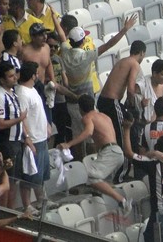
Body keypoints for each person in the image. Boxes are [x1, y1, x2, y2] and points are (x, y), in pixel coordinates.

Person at [61, 16, 136, 158]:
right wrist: (125, 29)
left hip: (72, 102)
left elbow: (61, 36)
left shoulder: (64, 51)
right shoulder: (86, 56)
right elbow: (108, 44)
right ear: (83, 41)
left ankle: (80, 164)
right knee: (90, 137)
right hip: (87, 103)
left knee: (77, 136)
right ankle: (92, 161)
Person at [56, 95, 134, 215]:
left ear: (80, 109)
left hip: (110, 153)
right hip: (116, 152)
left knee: (91, 176)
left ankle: (122, 201)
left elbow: (89, 132)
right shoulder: (104, 116)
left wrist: (68, 144)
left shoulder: (87, 117)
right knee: (102, 182)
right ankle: (110, 210)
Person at [119, 116, 163, 242]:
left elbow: (129, 153)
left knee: (149, 238)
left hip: (159, 214)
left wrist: (126, 129)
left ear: (157, 148)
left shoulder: (152, 164)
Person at [98, 39, 145, 184]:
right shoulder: (134, 64)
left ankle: (111, 172)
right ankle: (121, 176)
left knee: (110, 138)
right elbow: (131, 88)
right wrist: (134, 106)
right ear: (142, 53)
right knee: (124, 137)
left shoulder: (122, 60)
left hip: (103, 101)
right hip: (113, 102)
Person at [0, 62, 34, 208]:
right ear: (2, 80)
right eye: (10, 76)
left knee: (14, 180)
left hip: (16, 142)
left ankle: (11, 210)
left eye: (14, 74)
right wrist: (19, 119)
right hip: (6, 144)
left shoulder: (12, 92)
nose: (15, 77)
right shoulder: (0, 96)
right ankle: (4, 211)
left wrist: (26, 137)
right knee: (7, 180)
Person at [15, 61, 52, 215]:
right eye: (36, 73)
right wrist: (27, 138)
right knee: (29, 175)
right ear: (32, 75)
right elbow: (21, 118)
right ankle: (27, 205)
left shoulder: (32, 90)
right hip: (33, 139)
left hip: (41, 136)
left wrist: (47, 126)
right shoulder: (22, 93)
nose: (38, 75)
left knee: (40, 174)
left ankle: (42, 199)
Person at [59, 14, 102, 95]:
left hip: (80, 91)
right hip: (95, 84)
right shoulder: (88, 39)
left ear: (65, 28)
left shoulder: (68, 45)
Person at [47, 31, 77, 146]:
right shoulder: (43, 60)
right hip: (49, 101)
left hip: (61, 100)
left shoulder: (58, 59)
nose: (53, 49)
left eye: (56, 46)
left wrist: (68, 92)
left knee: (62, 132)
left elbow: (64, 80)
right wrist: (73, 95)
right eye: (50, 46)